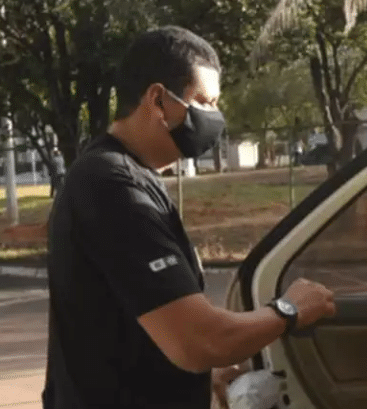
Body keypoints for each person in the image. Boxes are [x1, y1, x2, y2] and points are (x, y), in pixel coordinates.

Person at [42, 26, 336, 409]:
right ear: (158, 101)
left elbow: (135, 320)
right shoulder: (112, 186)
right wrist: (288, 310)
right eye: (203, 102)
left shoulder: (125, 176)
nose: (214, 117)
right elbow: (199, 340)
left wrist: (202, 377)